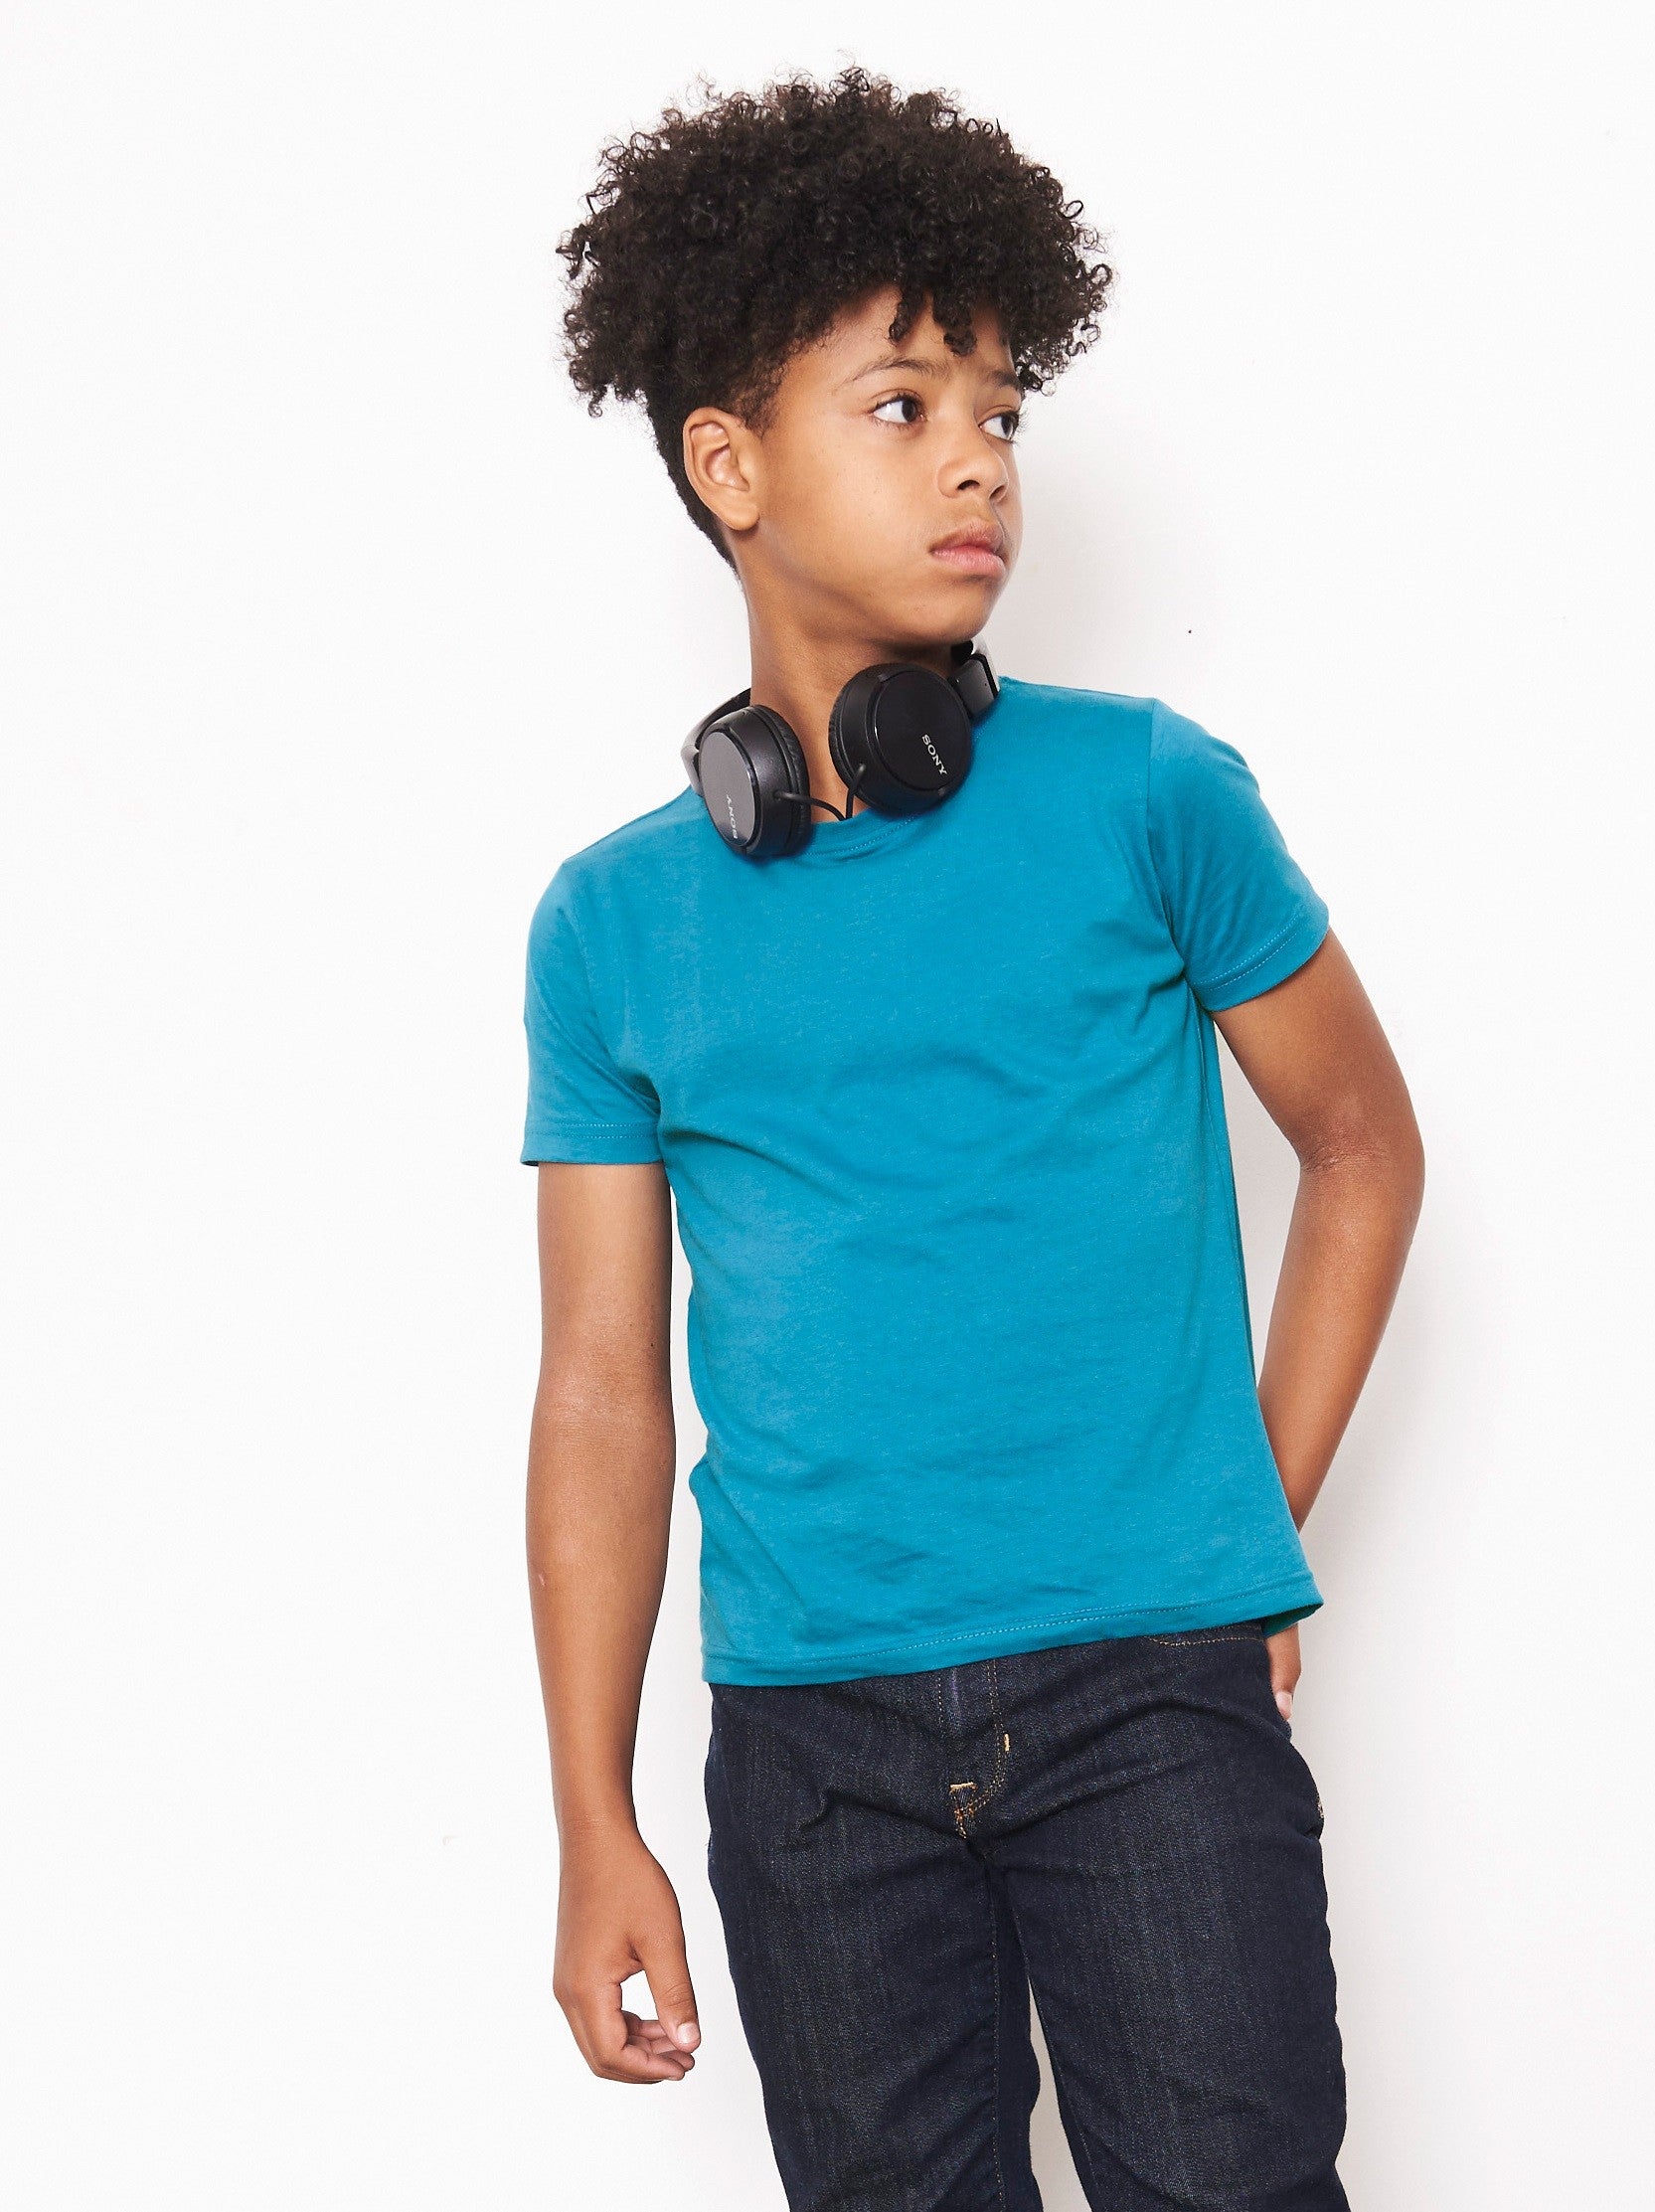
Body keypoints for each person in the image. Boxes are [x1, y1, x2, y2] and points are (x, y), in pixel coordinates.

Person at [522, 69, 1423, 2212]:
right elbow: (599, 1389)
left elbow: (1362, 1148)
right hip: (809, 1753)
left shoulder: (1146, 794)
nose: (981, 462)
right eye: (905, 406)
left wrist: (1248, 1536)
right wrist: (591, 1818)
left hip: (1148, 1706)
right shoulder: (613, 924)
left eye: (1002, 410)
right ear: (729, 464)